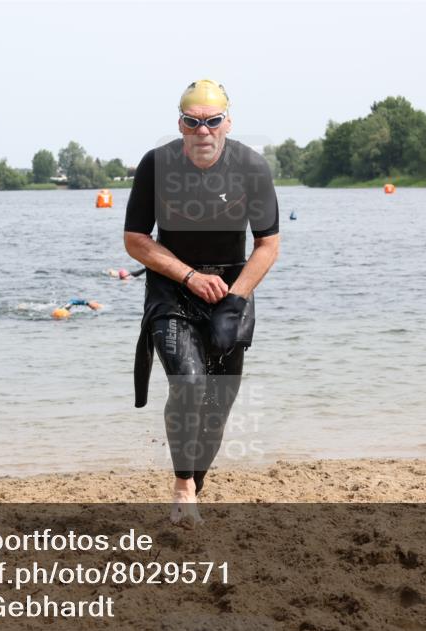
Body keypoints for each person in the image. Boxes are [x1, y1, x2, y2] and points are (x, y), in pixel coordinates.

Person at [124, 79, 280, 527]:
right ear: (180, 124)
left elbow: (268, 244)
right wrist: (189, 276)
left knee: (218, 404)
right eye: (193, 122)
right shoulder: (157, 165)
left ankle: (194, 488)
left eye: (212, 121)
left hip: (231, 288)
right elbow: (136, 240)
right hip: (173, 285)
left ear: (227, 122)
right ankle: (182, 486)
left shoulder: (251, 167)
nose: (203, 131)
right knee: (189, 385)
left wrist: (235, 298)